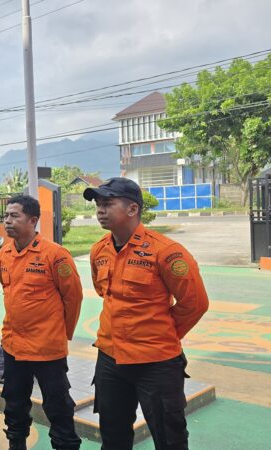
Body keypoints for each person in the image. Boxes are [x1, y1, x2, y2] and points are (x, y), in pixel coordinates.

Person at [84, 178, 209, 450]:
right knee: (113, 437)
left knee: (169, 438)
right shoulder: (99, 251)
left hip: (156, 362)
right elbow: (104, 292)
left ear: (132, 210)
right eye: (98, 205)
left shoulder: (166, 252)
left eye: (108, 203)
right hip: (110, 359)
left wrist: (159, 334)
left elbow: (195, 303)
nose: (100, 210)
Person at [0, 195, 83, 450]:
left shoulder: (55, 255)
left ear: (33, 220)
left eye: (15, 216)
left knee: (58, 406)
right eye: (6, 216)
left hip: (48, 350)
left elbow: (73, 298)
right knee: (14, 403)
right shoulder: (5, 253)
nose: (8, 221)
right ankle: (16, 443)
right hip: (14, 347)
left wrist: (61, 334)